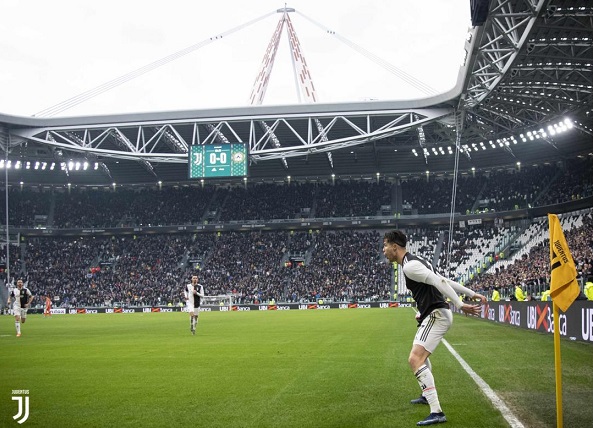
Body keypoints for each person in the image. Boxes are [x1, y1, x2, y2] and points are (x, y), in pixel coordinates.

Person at [383, 230, 486, 426]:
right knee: (421, 356)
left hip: (437, 315)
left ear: (394, 247)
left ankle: (436, 411)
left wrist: (460, 303)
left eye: (385, 246)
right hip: (432, 313)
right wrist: (471, 293)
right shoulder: (416, 261)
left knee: (415, 359)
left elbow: (440, 282)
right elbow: (444, 279)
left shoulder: (411, 266)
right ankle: (426, 395)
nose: (384, 250)